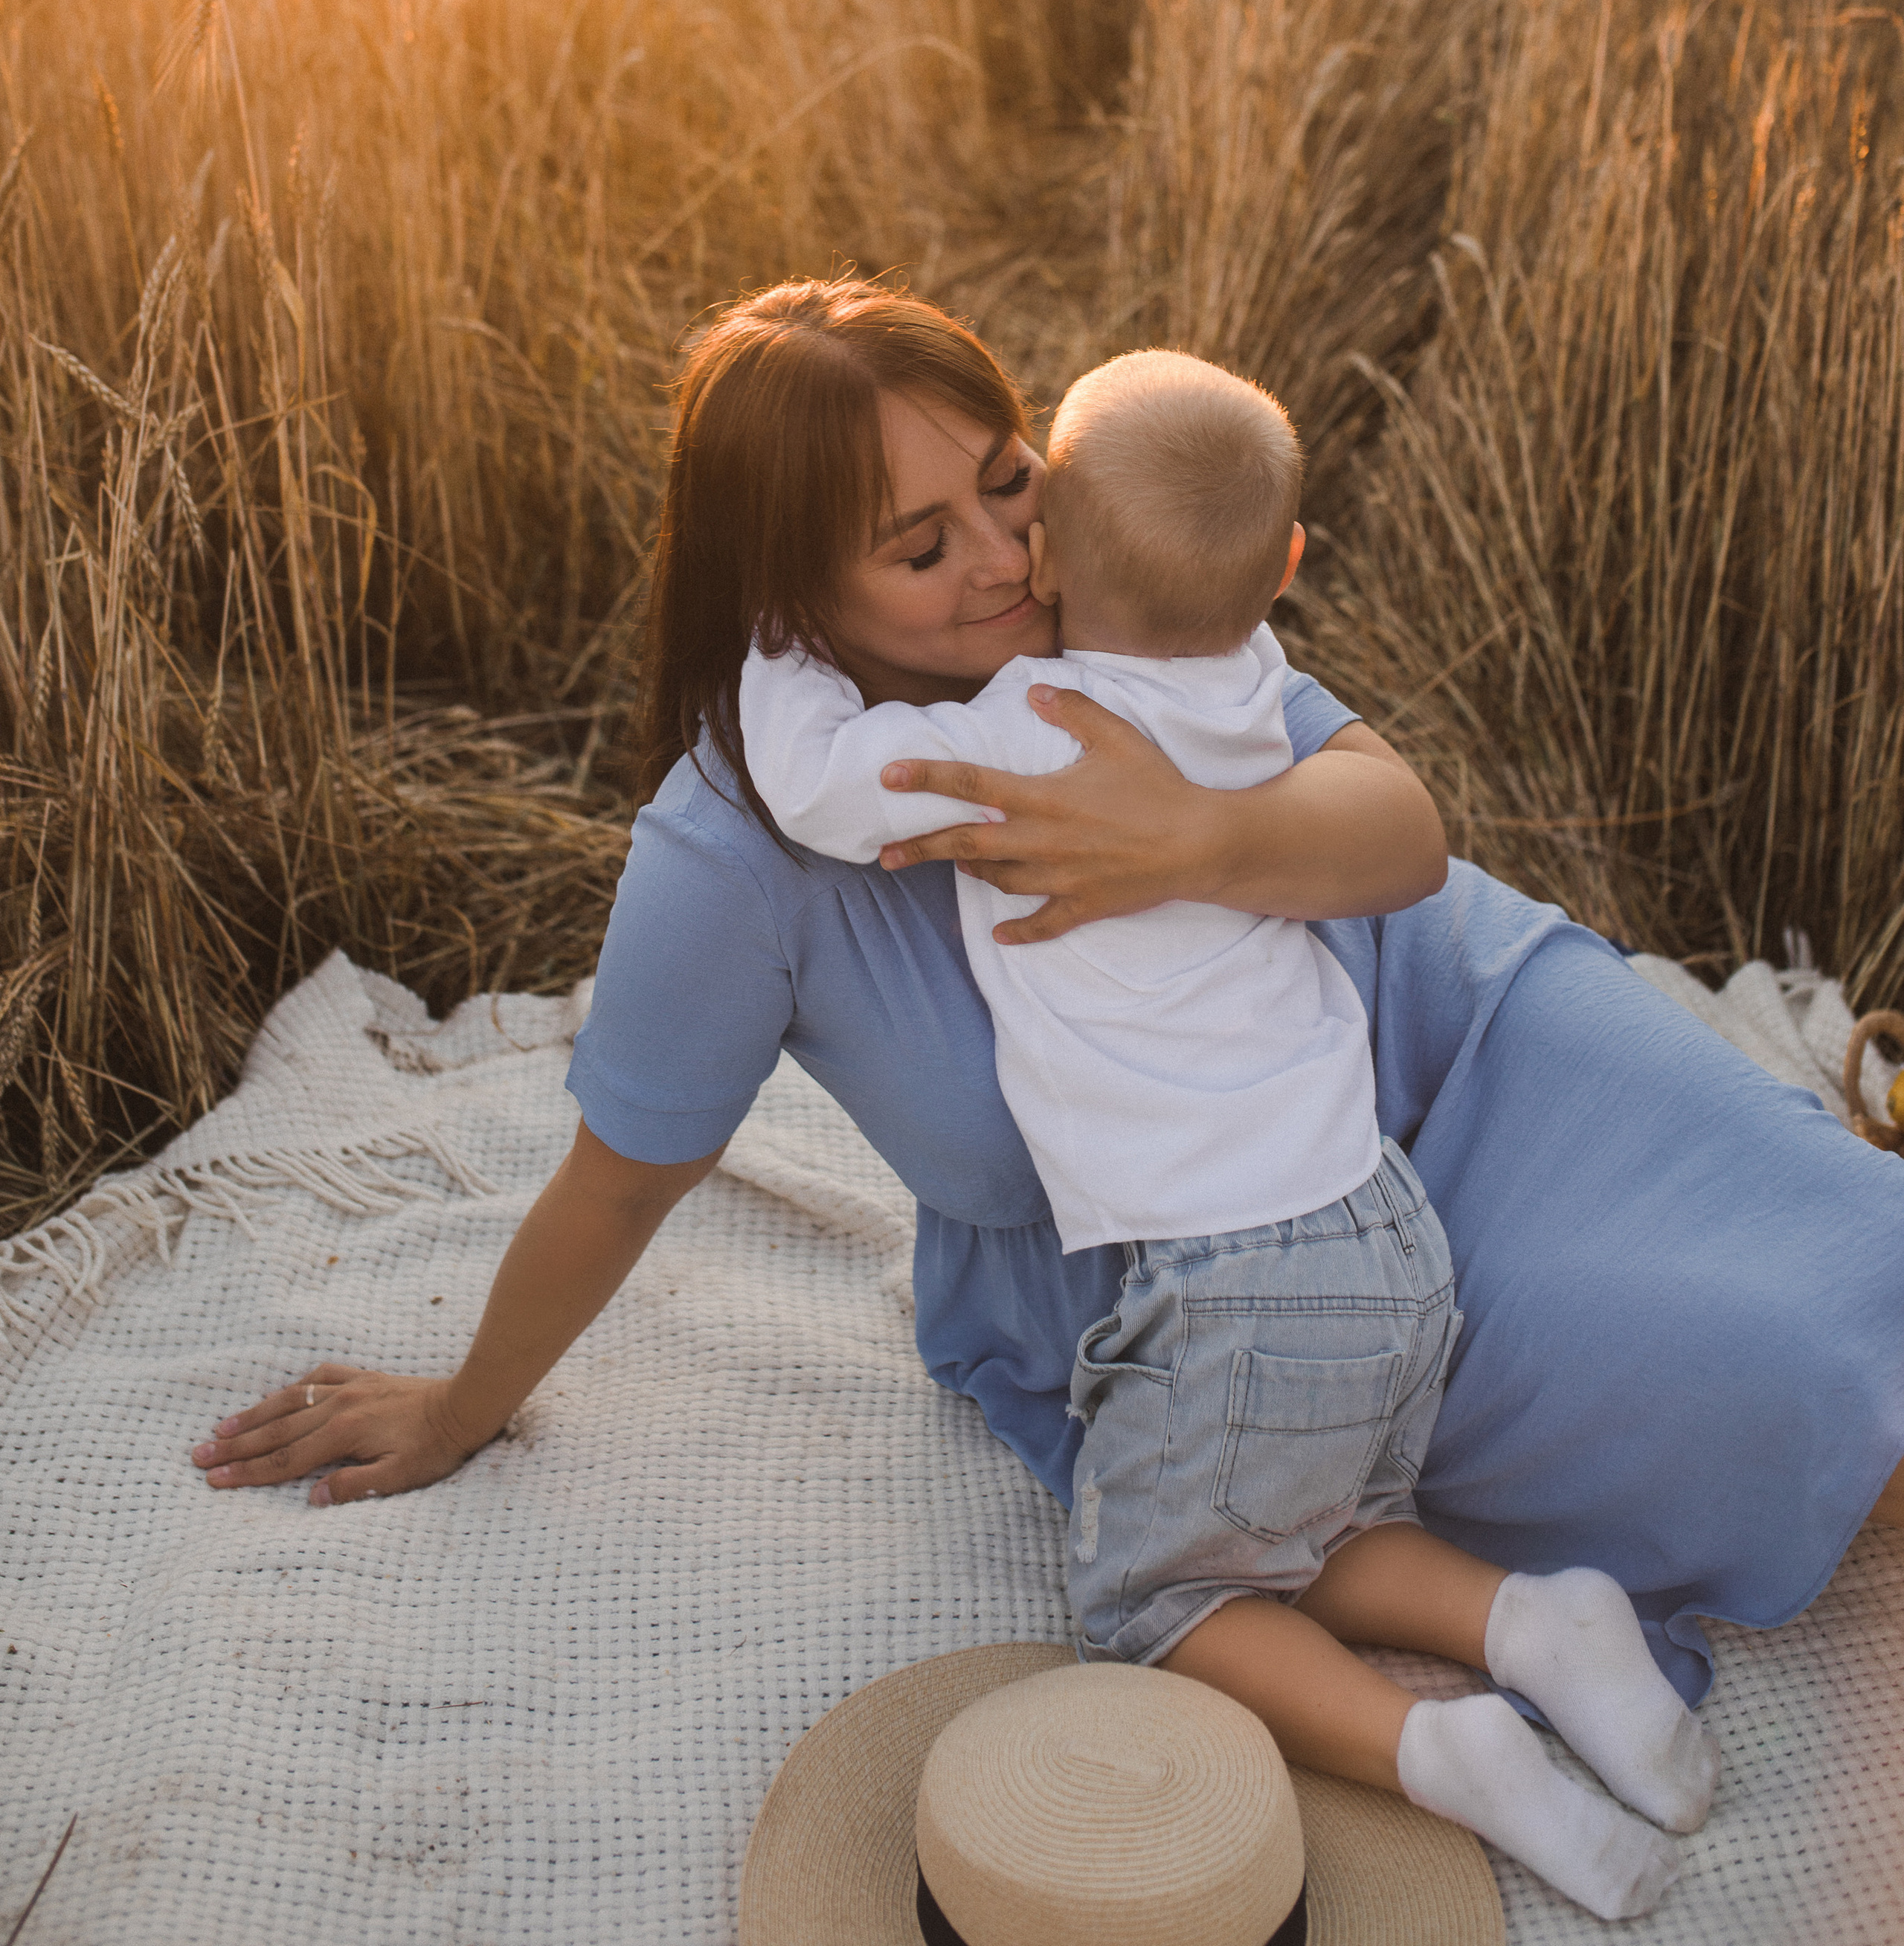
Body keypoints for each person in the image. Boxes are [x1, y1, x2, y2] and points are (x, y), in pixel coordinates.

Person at [193, 277, 1904, 1872]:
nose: (1010, 557)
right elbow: (624, 1171)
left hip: (1477, 1030)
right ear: (793, 599)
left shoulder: (1109, 620)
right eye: (922, 544)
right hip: (1221, 1248)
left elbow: (1401, 834)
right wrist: (458, 1404)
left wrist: (1208, 832)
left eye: (1012, 484)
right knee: (1761, 1378)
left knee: (1851, 1267)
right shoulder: (742, 848)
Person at [736, 345, 1711, 1920]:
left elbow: (810, 783)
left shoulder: (1024, 729)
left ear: (1043, 550)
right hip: (1384, 1235)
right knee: (1302, 1532)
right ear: (1287, 570)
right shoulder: (1260, 692)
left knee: (1154, 1601)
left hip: (1239, 1274)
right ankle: (1532, 1621)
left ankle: (1445, 1749)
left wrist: (775, 637)